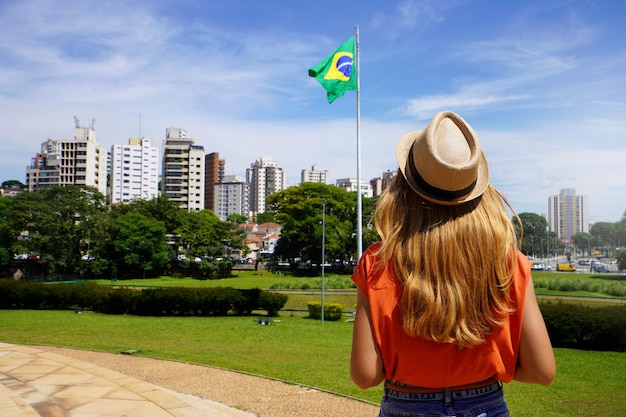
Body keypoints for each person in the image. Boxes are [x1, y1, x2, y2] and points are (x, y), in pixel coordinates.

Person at [350, 111, 556, 417]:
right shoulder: (509, 262)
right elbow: (542, 371)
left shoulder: (377, 262)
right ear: (477, 192)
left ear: (403, 187)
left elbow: (365, 375)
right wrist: (487, 369)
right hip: (486, 404)